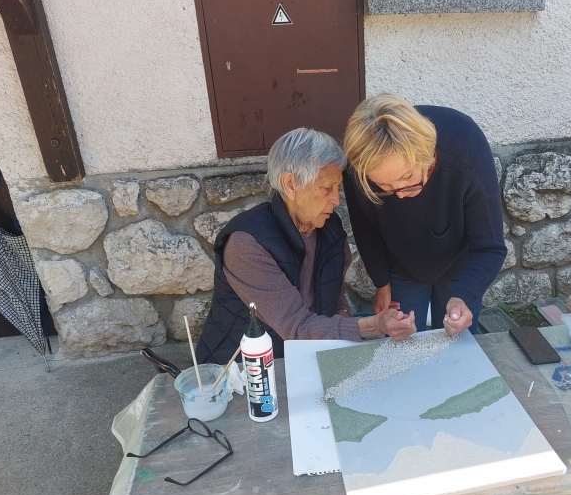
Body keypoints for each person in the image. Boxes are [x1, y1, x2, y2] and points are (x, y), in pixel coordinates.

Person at [196, 128, 416, 363]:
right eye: (326, 188)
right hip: (243, 367)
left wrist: (343, 322)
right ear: (290, 184)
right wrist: (375, 325)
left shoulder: (329, 228)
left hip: (304, 354)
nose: (336, 199)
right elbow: (296, 327)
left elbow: (335, 295)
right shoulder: (247, 244)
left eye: (338, 187)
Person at [342, 93, 507, 335]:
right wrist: (382, 283)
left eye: (407, 179)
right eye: (383, 187)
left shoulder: (466, 149)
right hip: (400, 264)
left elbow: (490, 247)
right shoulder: (359, 163)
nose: (399, 195)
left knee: (456, 342)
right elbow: (365, 228)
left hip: (459, 265)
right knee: (403, 342)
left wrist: (463, 297)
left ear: (429, 156)